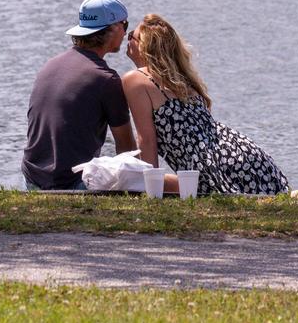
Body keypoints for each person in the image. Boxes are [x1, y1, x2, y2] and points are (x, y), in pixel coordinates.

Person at [121, 13, 289, 196]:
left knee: (128, 179)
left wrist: (151, 189)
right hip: (242, 151)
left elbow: (146, 139)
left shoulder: (136, 80)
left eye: (132, 36)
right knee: (281, 197)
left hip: (215, 165)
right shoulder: (183, 79)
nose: (127, 40)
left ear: (145, 46)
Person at [22, 0, 138, 190]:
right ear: (114, 28)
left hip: (32, 178)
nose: (126, 34)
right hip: (71, 183)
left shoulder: (49, 66)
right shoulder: (106, 79)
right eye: (125, 26)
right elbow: (127, 150)